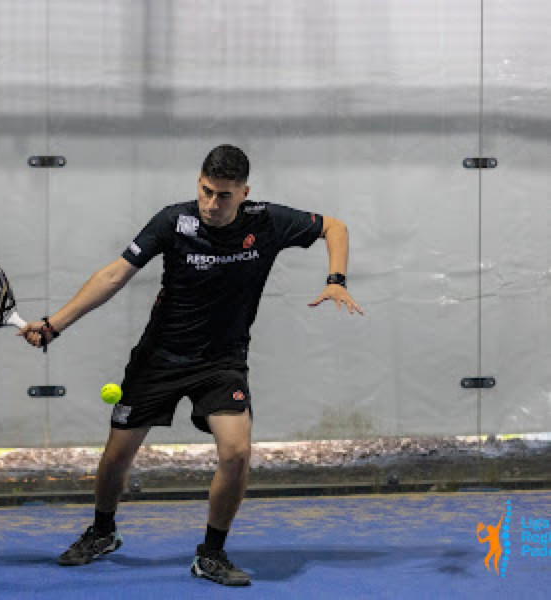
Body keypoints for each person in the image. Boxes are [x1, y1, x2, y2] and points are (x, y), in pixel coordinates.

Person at [19, 144, 364, 586]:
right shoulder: (172, 221)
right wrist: (54, 325)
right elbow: (113, 275)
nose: (212, 203)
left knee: (236, 453)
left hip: (222, 362)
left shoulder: (267, 221)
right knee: (116, 457)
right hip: (159, 358)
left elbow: (335, 227)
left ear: (244, 193)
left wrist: (336, 280)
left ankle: (211, 554)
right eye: (206, 191)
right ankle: (102, 531)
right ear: (198, 183)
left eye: (224, 195)